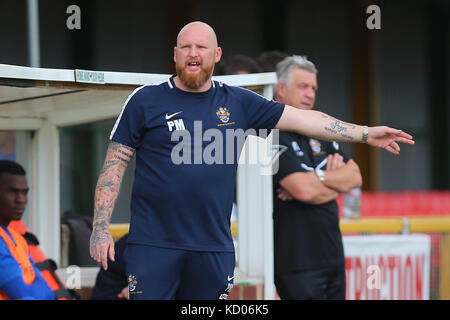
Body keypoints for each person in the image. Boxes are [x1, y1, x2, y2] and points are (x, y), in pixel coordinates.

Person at [89, 21, 414, 300]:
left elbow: (306, 120)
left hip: (213, 249)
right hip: (154, 246)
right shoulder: (145, 100)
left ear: (216, 55)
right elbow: (114, 165)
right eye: (185, 46)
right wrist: (100, 228)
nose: (193, 53)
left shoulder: (238, 101)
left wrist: (365, 133)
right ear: (174, 53)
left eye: (201, 47)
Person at [272, 55, 362, 299]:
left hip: (332, 256)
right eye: (303, 86)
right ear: (281, 89)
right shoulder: (270, 133)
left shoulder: (320, 129)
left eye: (313, 88)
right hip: (296, 262)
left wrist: (316, 176)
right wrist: (334, 182)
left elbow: (355, 176)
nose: (310, 94)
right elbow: (304, 190)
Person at [0, 160, 55, 300]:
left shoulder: (18, 238)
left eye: (24, 192)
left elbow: (48, 292)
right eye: (12, 191)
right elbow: (23, 294)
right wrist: (33, 293)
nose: (20, 199)